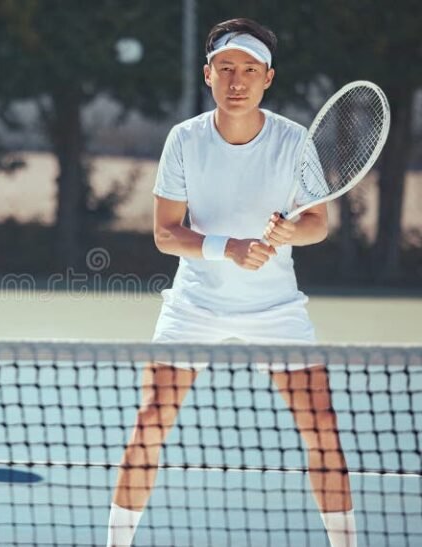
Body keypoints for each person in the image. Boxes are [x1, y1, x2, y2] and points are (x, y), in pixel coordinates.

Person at [106, 18, 356, 547]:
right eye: (226, 69)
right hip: (193, 307)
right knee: (150, 422)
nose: (236, 80)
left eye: (248, 70)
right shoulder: (184, 140)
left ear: (268, 77)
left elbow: (317, 225)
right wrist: (230, 248)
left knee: (323, 430)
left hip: (277, 310)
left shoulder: (294, 141)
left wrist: (288, 231)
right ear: (208, 75)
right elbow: (165, 234)